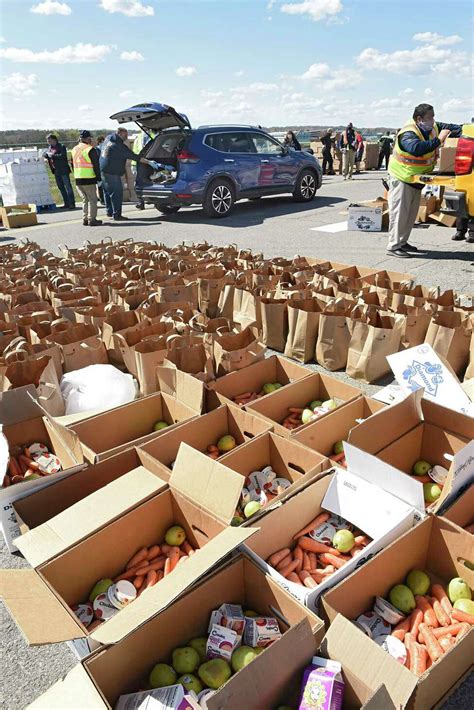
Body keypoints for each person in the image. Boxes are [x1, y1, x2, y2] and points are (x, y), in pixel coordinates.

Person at [387, 103, 462, 258]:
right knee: (400, 214)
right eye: (430, 117)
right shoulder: (408, 133)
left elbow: (451, 127)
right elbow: (417, 148)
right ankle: (393, 246)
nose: (433, 120)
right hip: (401, 178)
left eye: (433, 116)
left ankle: (402, 242)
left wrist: (464, 130)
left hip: (415, 179)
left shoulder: (432, 127)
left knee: (410, 214)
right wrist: (439, 140)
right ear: (419, 119)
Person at [100, 127, 155, 221]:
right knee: (116, 193)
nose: (127, 137)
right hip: (112, 172)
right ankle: (117, 215)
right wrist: (150, 162)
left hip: (103, 170)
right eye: (125, 135)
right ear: (120, 134)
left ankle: (109, 211)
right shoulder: (119, 146)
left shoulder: (108, 138)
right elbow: (135, 157)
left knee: (107, 192)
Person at [71, 130, 102, 227]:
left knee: (85, 200)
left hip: (78, 178)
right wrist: (99, 178)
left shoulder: (74, 149)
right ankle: (92, 219)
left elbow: (73, 163)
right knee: (92, 200)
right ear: (88, 138)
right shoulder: (90, 149)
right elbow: (96, 165)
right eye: (90, 138)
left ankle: (85, 218)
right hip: (88, 178)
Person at [43, 134, 75, 209]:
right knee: (61, 187)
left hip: (63, 169)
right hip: (56, 170)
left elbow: (63, 156)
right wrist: (46, 155)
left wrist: (53, 156)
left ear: (54, 139)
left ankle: (72, 203)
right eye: (47, 140)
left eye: (49, 140)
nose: (48, 142)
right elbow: (48, 155)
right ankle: (66, 203)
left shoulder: (61, 146)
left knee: (68, 187)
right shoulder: (50, 147)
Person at [132, 129, 155, 210]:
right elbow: (135, 151)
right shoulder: (139, 137)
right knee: (139, 183)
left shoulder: (153, 135)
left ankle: (153, 200)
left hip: (149, 162)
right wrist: (134, 164)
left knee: (150, 182)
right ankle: (141, 202)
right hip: (140, 162)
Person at [95, 136, 105, 205]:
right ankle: (102, 199)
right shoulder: (100, 148)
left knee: (100, 185)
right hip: (101, 168)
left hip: (99, 168)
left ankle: (102, 199)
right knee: (101, 184)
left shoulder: (96, 149)